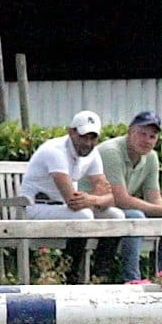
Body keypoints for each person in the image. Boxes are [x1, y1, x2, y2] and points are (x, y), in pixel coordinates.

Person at [20, 108, 121, 282]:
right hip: (34, 207)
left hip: (62, 208)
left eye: (93, 138)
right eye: (83, 137)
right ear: (71, 132)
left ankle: (100, 276)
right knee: (84, 215)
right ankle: (69, 275)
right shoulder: (55, 151)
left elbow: (112, 196)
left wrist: (92, 199)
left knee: (117, 216)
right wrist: (96, 199)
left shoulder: (93, 153)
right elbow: (72, 201)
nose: (88, 143)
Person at [92, 110, 162, 283]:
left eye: (152, 136)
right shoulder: (111, 151)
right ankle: (131, 280)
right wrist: (161, 209)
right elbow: (121, 199)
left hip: (116, 210)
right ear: (130, 131)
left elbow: (154, 197)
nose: (147, 140)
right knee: (136, 216)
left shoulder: (152, 157)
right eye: (142, 134)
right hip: (92, 206)